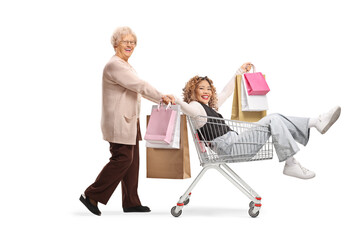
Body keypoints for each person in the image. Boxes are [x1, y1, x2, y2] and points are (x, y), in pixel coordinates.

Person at [169, 63, 341, 180]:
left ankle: (314, 126)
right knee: (273, 118)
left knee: (276, 119)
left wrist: (239, 72)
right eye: (201, 88)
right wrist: (177, 100)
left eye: (208, 88)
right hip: (230, 147)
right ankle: (295, 155)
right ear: (193, 91)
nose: (206, 91)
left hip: (235, 143)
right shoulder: (195, 106)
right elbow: (188, 110)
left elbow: (226, 92)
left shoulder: (210, 108)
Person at [80, 26, 174, 216]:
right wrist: (161, 96)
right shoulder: (114, 65)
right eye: (126, 42)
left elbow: (137, 88)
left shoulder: (125, 65)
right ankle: (91, 194)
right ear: (116, 44)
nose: (130, 45)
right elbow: (139, 85)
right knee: (123, 159)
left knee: (133, 162)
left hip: (130, 120)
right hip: (119, 121)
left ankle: (131, 201)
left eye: (132, 42)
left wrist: (158, 98)